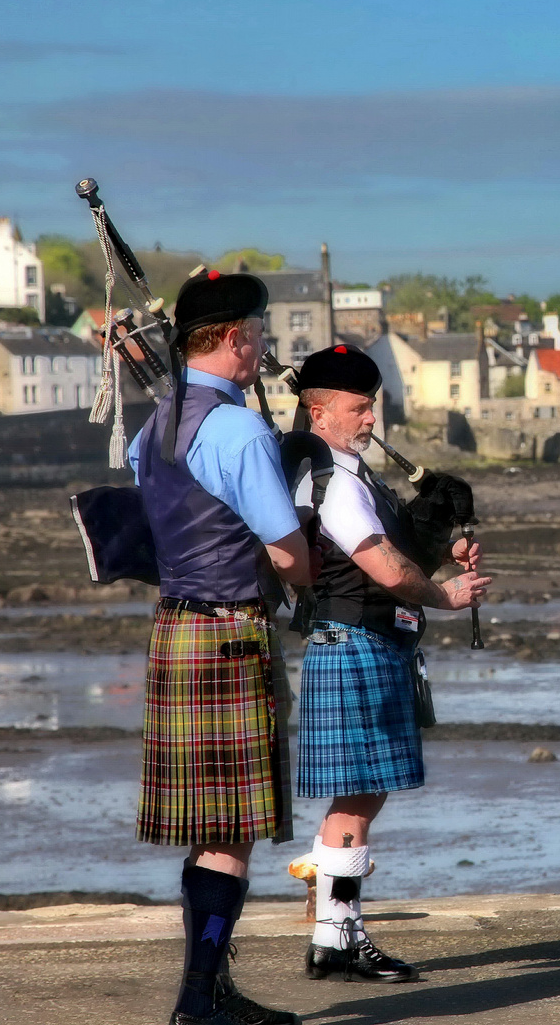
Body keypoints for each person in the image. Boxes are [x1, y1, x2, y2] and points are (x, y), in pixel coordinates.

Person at [127, 270, 317, 1025]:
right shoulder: (237, 427)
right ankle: (199, 998)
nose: (264, 345)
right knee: (231, 832)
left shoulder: (160, 420)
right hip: (233, 632)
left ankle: (211, 988)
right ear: (237, 338)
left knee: (210, 829)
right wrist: (309, 584)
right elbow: (284, 548)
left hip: (174, 624)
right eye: (260, 332)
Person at [286, 345, 491, 982]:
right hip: (354, 643)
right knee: (356, 798)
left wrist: (443, 539)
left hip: (365, 643)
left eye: (372, 405)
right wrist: (446, 595)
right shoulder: (333, 482)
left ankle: (333, 935)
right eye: (358, 408)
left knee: (364, 793)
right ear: (318, 414)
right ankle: (339, 938)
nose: (370, 418)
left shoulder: (353, 475)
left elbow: (400, 550)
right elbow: (385, 570)